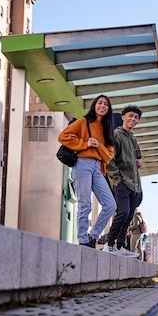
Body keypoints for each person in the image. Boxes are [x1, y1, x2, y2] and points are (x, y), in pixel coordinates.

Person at [58, 95, 116, 248]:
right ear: (94, 105)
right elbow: (63, 136)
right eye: (100, 103)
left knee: (110, 204)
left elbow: (109, 156)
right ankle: (83, 240)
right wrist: (84, 143)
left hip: (97, 168)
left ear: (108, 109)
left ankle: (93, 236)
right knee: (85, 204)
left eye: (106, 104)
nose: (103, 106)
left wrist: (98, 145)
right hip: (82, 164)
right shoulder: (83, 121)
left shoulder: (106, 129)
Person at [106, 105, 143, 257]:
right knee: (123, 212)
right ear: (123, 117)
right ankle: (109, 244)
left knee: (128, 217)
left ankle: (121, 246)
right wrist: (116, 179)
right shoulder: (117, 135)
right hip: (122, 181)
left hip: (134, 183)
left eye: (136, 117)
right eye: (131, 116)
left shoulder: (132, 138)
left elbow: (138, 156)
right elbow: (109, 159)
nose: (133, 119)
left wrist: (137, 161)